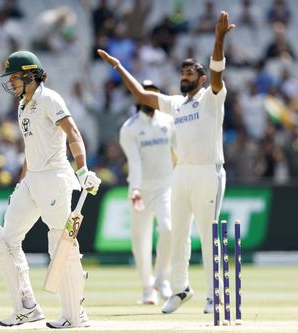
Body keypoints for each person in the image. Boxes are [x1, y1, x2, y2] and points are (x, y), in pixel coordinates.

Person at [98, 10, 234, 314]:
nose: (184, 78)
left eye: (189, 75)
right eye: (182, 75)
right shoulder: (174, 104)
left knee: (209, 233)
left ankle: (215, 295)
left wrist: (219, 38)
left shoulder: (212, 96)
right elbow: (141, 94)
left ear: (200, 80)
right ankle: (180, 288)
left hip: (209, 172)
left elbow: (217, 69)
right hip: (182, 173)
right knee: (177, 235)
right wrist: (119, 66)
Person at [0, 50, 101, 328]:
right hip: (32, 180)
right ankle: (26, 307)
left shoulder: (50, 99)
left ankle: (74, 314)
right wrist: (22, 180)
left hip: (54, 178)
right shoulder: (23, 105)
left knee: (60, 243)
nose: (10, 83)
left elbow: (73, 132)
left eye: (14, 77)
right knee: (4, 240)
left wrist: (83, 169)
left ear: (29, 76)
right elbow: (31, 149)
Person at [119, 80, 175, 305]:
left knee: (168, 229)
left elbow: (179, 152)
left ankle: (162, 279)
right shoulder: (129, 128)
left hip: (165, 186)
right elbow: (135, 163)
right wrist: (135, 188)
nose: (150, 98)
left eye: (155, 94)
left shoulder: (169, 121)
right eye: (147, 93)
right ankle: (146, 287)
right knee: (140, 241)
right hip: (141, 190)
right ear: (138, 97)